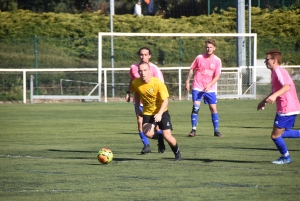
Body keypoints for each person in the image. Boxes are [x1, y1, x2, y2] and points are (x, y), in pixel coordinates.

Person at [131, 62, 182, 161]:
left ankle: (177, 153)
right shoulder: (135, 82)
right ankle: (159, 137)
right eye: (140, 71)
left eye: (145, 70)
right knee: (147, 133)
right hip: (148, 112)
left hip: (162, 111)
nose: (143, 73)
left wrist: (159, 113)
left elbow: (165, 100)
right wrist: (137, 107)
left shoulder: (157, 83)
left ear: (149, 71)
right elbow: (136, 93)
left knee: (167, 136)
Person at [257, 49, 300, 164]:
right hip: (289, 107)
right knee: (280, 133)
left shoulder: (279, 71)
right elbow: (276, 90)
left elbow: (287, 87)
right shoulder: (275, 72)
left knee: (275, 136)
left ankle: (286, 157)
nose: (265, 62)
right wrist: (263, 101)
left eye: (267, 60)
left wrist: (275, 95)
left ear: (274, 60)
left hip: (286, 108)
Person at [125, 47, 165, 154]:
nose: (143, 57)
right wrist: (128, 92)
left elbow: (161, 85)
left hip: (152, 102)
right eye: (141, 55)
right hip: (139, 100)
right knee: (139, 122)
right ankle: (146, 145)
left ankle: (160, 138)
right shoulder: (134, 67)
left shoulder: (154, 69)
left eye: (146, 54)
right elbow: (132, 80)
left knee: (155, 126)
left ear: (149, 56)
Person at [185, 39, 223, 138]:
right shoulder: (199, 58)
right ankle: (193, 130)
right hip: (198, 86)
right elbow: (191, 69)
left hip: (210, 88)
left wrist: (210, 84)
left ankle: (216, 130)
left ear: (214, 48)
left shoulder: (217, 60)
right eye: (207, 47)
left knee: (213, 109)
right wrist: (187, 81)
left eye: (210, 47)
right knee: (196, 108)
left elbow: (217, 76)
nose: (208, 49)